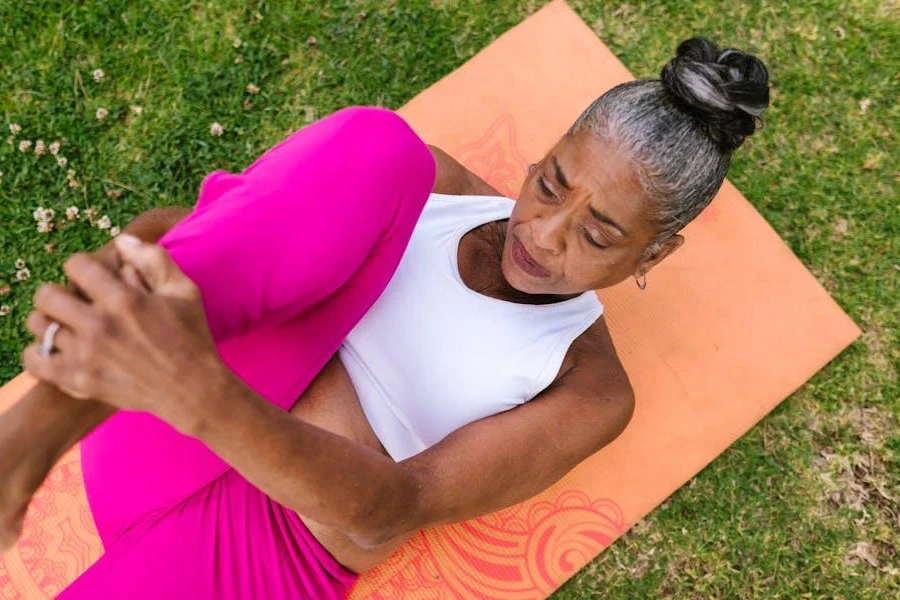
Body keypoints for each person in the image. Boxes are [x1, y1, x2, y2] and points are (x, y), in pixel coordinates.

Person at [0, 37, 769, 598]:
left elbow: (391, 509)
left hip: (265, 546)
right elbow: (197, 233)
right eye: (551, 183)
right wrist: (139, 271)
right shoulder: (424, 184)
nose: (543, 233)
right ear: (543, 153)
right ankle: (21, 444)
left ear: (653, 256)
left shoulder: (587, 386)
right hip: (146, 421)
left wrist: (202, 386)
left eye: (599, 233)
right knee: (380, 145)